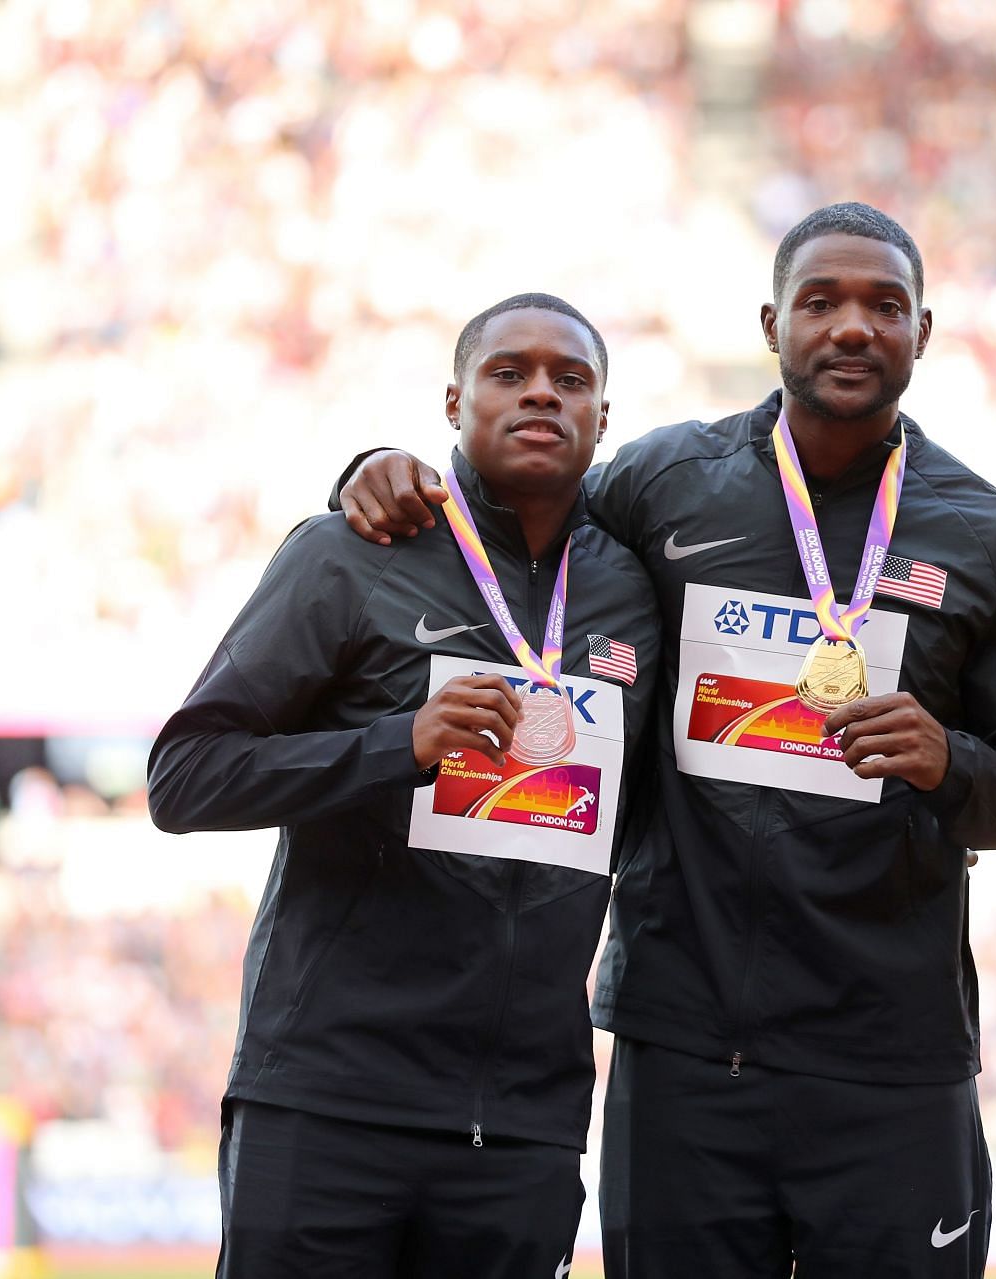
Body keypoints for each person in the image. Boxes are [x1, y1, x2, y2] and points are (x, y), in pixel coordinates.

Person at [336, 203, 996, 1278]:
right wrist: (371, 465)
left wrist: (950, 761)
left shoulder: (982, 530)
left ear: (923, 333)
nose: (851, 327)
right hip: (684, 1046)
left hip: (891, 1059)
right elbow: (512, 529)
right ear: (772, 321)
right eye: (821, 302)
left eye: (884, 306)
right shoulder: (663, 481)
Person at [148, 293, 661, 1277]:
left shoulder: (635, 586)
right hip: (329, 1102)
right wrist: (397, 745)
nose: (541, 394)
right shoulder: (350, 551)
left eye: (572, 379)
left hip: (522, 1128)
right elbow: (185, 777)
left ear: (606, 418)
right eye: (508, 373)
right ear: (453, 401)